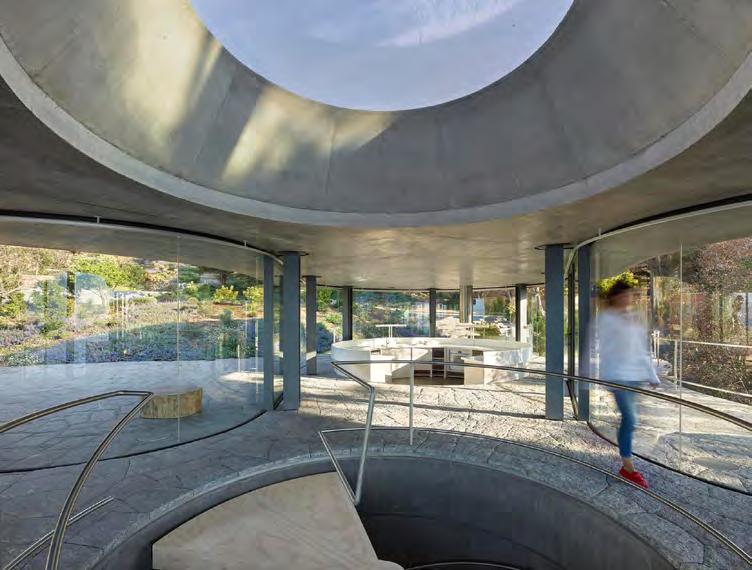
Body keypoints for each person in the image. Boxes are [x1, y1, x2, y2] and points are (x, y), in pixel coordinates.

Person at [597, 280, 660, 489]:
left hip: (634, 376)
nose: (627, 299)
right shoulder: (607, 318)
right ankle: (628, 467)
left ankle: (626, 460)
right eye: (624, 295)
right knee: (631, 419)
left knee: (629, 420)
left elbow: (641, 349)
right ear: (615, 297)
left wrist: (652, 375)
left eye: (630, 295)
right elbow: (602, 347)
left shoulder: (633, 318)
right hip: (617, 376)